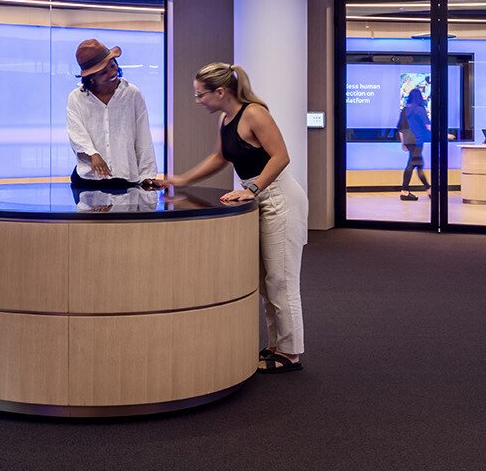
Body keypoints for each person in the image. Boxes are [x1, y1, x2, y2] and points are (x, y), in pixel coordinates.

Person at [149, 63, 307, 373]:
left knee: (282, 280)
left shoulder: (254, 113)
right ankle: (277, 344)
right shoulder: (226, 118)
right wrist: (180, 180)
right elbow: (220, 158)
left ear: (220, 92)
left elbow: (281, 157)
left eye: (200, 95)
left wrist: (251, 187)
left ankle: (290, 353)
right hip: (260, 198)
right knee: (265, 281)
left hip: (280, 198)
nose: (198, 101)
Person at [64, 38, 156, 192]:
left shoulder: (132, 94)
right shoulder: (76, 97)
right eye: (104, 72)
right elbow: (75, 131)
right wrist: (93, 154)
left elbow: (143, 135)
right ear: (91, 77)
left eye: (113, 66)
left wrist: (147, 174)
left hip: (125, 179)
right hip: (88, 180)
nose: (112, 73)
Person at [396, 87, 432, 201]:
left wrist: (403, 143)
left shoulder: (405, 110)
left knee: (418, 164)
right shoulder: (420, 109)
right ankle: (405, 191)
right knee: (412, 164)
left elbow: (400, 128)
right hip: (417, 140)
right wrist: (445, 135)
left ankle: (429, 189)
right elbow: (428, 126)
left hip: (408, 140)